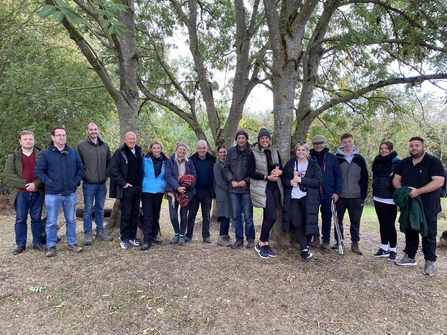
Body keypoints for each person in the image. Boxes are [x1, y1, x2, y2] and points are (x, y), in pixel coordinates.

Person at [393, 136, 444, 276]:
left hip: (428, 206)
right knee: (410, 231)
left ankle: (429, 262)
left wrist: (418, 192)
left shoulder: (433, 162)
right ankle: (409, 256)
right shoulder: (404, 163)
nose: (414, 148)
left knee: (428, 234)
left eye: (417, 145)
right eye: (411, 146)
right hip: (409, 205)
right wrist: (403, 191)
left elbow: (439, 181)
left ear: (423, 147)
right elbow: (396, 179)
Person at [35, 126, 85, 257]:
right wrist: (51, 183)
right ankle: (51, 245)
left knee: (71, 220)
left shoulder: (72, 152)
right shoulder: (46, 154)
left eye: (64, 135)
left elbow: (80, 168)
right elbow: (39, 171)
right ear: (53, 137)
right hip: (53, 194)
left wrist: (75, 182)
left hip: (70, 193)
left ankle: (72, 243)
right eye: (59, 135)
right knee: (51, 221)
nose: (62, 137)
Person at [4, 131, 45, 255]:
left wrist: (36, 185)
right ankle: (20, 245)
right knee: (20, 219)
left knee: (36, 219)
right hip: (20, 194)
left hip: (38, 192)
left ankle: (37, 243)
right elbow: (9, 175)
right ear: (20, 141)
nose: (28, 141)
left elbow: (47, 172)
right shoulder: (13, 157)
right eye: (25, 139)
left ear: (34, 141)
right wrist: (27, 185)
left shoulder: (42, 156)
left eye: (30, 139)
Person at [282, 142, 322, 261]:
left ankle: (306, 249)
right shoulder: (290, 164)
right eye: (299, 150)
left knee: (308, 222)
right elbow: (283, 179)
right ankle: (305, 249)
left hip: (308, 198)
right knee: (297, 223)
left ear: (307, 151)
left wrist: (302, 180)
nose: (301, 152)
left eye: (303, 150)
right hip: (294, 197)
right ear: (296, 151)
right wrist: (290, 182)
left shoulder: (313, 164)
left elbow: (318, 181)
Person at [248, 128, 283, 259]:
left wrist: (279, 172)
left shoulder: (274, 151)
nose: (265, 140)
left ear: (269, 139)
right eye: (262, 138)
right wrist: (266, 177)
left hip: (275, 188)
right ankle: (260, 244)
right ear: (259, 140)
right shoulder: (254, 153)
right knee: (272, 216)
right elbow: (250, 172)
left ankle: (265, 244)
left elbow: (281, 168)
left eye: (267, 138)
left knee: (268, 217)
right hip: (264, 188)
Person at [76, 122, 113, 245]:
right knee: (87, 209)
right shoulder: (81, 146)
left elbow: (110, 162)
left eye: (95, 129)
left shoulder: (104, 146)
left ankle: (100, 231)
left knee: (100, 209)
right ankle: (88, 233)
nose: (93, 131)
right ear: (87, 131)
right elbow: (78, 164)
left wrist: (106, 174)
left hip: (102, 184)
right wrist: (84, 175)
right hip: (88, 184)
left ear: (99, 130)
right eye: (91, 129)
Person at [108, 131, 144, 249]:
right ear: (125, 140)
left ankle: (133, 236)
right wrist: (123, 183)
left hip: (138, 188)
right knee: (126, 214)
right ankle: (125, 238)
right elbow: (113, 170)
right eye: (130, 139)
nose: (132, 141)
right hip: (127, 188)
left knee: (135, 213)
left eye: (134, 139)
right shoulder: (120, 153)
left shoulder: (139, 151)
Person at [334, 133, 368, 255]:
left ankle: (355, 243)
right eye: (345, 142)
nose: (347, 144)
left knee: (355, 221)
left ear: (353, 141)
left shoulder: (360, 159)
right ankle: (339, 241)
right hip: (340, 196)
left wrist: (362, 195)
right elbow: (333, 176)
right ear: (342, 143)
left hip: (356, 196)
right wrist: (335, 192)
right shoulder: (337, 158)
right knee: (338, 220)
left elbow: (364, 178)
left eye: (349, 141)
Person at [309, 134, 342, 250]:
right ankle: (315, 237)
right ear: (313, 145)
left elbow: (338, 176)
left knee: (327, 217)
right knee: (312, 216)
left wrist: (337, 192)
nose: (318, 146)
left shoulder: (332, 158)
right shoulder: (308, 157)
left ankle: (326, 241)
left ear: (324, 144)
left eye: (320, 143)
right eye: (316, 144)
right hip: (312, 191)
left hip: (328, 192)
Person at [224, 128, 255, 249]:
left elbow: (255, 169)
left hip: (246, 189)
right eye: (239, 138)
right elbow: (226, 168)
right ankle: (239, 240)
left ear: (246, 139)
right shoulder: (231, 151)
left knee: (248, 216)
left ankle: (250, 239)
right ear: (236, 139)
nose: (241, 140)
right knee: (236, 217)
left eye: (243, 138)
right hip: (234, 190)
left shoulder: (252, 151)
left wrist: (245, 181)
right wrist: (232, 180)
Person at [371, 141, 400, 261]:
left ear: (391, 149)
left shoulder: (397, 162)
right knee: (382, 223)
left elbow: (399, 180)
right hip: (378, 197)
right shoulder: (377, 161)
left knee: (389, 224)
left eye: (386, 148)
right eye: (381, 148)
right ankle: (383, 248)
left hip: (390, 198)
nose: (383, 150)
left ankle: (393, 250)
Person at [165, 142, 197, 246]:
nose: (182, 151)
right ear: (177, 150)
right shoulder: (170, 161)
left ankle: (182, 235)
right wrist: (177, 187)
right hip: (173, 192)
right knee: (173, 216)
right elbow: (168, 176)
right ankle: (176, 233)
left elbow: (194, 176)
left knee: (184, 215)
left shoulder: (189, 162)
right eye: (180, 149)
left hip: (185, 192)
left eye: (184, 150)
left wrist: (187, 186)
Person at [141, 140, 169, 250]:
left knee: (156, 214)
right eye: (154, 148)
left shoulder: (165, 161)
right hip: (147, 189)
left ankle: (154, 235)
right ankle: (147, 240)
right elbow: (141, 173)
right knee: (147, 215)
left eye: (158, 148)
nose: (157, 150)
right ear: (151, 149)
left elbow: (167, 176)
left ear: (161, 149)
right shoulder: (145, 160)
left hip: (159, 190)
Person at [187, 140, 216, 243]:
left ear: (206, 149)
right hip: (194, 191)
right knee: (191, 215)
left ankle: (206, 236)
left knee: (206, 215)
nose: (202, 150)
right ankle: (188, 235)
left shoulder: (212, 160)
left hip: (207, 191)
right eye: (200, 148)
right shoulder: (191, 160)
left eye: (204, 148)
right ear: (197, 149)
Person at [214, 145, 233, 246]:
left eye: (224, 152)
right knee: (225, 215)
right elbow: (219, 181)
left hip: (229, 193)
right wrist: (229, 189)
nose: (223, 154)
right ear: (218, 154)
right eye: (220, 152)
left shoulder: (228, 164)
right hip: (223, 193)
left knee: (228, 215)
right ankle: (221, 237)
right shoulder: (217, 165)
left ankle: (226, 236)